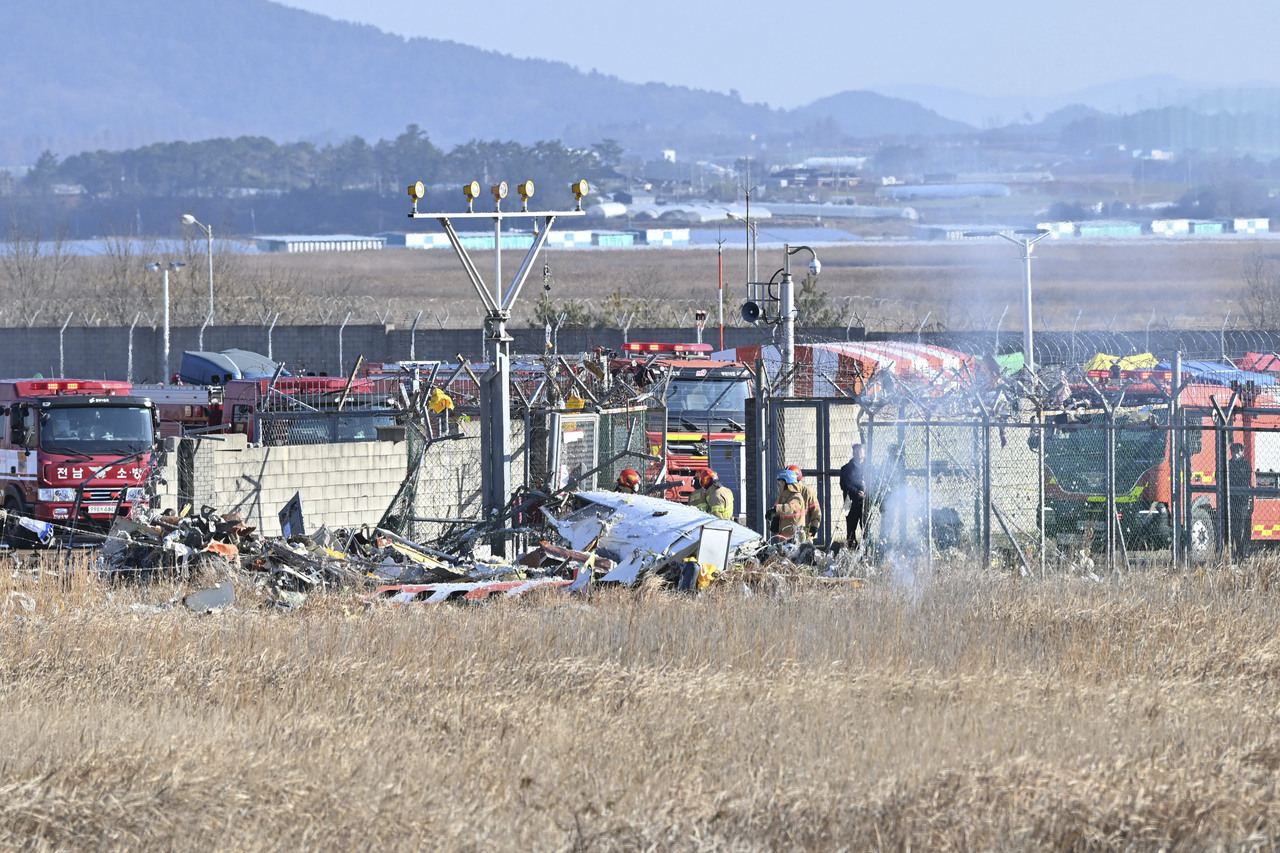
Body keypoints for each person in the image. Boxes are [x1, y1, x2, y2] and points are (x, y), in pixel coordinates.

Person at [839, 444, 868, 550]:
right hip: (850, 501)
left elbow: (874, 482)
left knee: (865, 527)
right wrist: (857, 493)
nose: (858, 453)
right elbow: (844, 485)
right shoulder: (846, 468)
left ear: (864, 453)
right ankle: (851, 550)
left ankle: (865, 550)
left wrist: (866, 494)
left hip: (865, 502)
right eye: (855, 451)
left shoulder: (869, 468)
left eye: (860, 451)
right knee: (851, 528)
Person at [768, 468, 809, 542]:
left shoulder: (796, 496)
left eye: (781, 482)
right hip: (784, 539)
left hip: (796, 540)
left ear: (787, 483)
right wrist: (774, 524)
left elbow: (791, 507)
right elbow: (777, 512)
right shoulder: (782, 497)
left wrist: (776, 509)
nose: (779, 484)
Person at [1228, 442, 1253, 560]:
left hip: (1242, 501)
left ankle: (1241, 552)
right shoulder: (1228, 465)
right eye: (1234, 451)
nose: (1236, 454)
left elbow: (1246, 481)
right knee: (1231, 528)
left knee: (1240, 528)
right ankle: (1231, 553)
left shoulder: (1246, 465)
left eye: (1238, 451)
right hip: (1231, 501)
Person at [786, 464, 822, 541]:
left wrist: (814, 527)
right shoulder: (785, 492)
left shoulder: (807, 493)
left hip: (803, 532)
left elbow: (816, 512)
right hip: (786, 533)